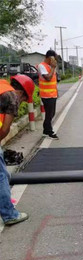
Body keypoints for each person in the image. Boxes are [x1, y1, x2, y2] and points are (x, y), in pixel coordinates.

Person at [0, 75, 35, 226]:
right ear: (22, 93)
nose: (21, 103)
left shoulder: (2, 85)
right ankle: (9, 215)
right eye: (24, 100)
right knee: (1, 175)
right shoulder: (13, 97)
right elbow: (5, 128)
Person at [38, 50, 59, 140]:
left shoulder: (49, 66)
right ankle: (49, 132)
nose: (54, 61)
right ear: (50, 57)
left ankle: (46, 130)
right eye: (54, 58)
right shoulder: (42, 66)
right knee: (49, 114)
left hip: (52, 94)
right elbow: (48, 78)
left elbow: (55, 80)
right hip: (46, 95)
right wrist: (53, 68)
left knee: (51, 113)